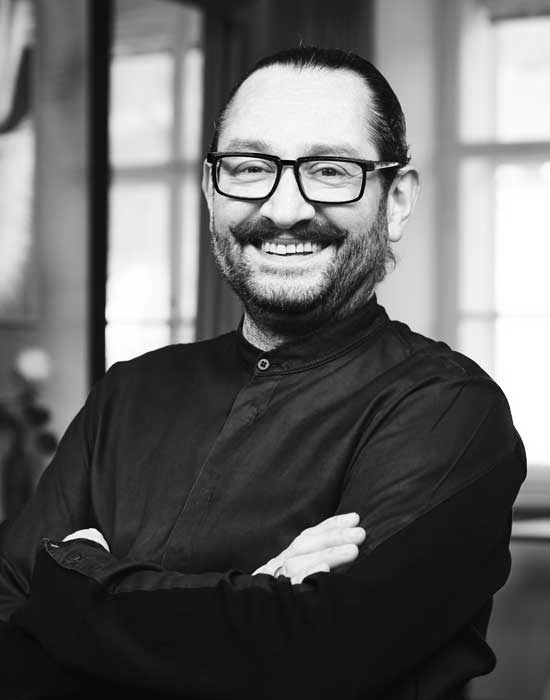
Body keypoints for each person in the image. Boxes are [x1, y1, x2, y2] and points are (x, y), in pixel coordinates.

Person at [0, 46, 525, 699]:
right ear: (210, 191)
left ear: (396, 202)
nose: (283, 208)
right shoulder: (127, 393)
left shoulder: (449, 410)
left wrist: (75, 578)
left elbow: (316, 658)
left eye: (329, 171)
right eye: (250, 167)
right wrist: (255, 602)